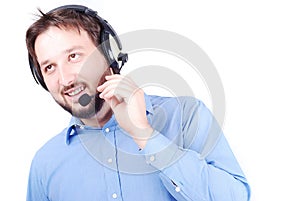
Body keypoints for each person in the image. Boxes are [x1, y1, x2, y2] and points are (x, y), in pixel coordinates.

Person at [25, 4, 250, 201]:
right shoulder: (45, 164)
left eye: (73, 56)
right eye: (49, 67)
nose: (65, 79)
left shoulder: (185, 116)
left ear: (108, 53)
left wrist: (144, 134)